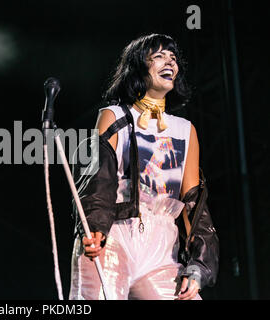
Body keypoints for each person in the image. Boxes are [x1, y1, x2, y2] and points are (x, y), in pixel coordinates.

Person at [69, 34, 219, 300]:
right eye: (159, 56)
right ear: (138, 66)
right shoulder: (114, 116)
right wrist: (93, 228)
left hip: (163, 247)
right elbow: (98, 179)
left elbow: (194, 205)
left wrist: (199, 265)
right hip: (114, 236)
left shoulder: (184, 130)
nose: (169, 62)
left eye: (173, 58)